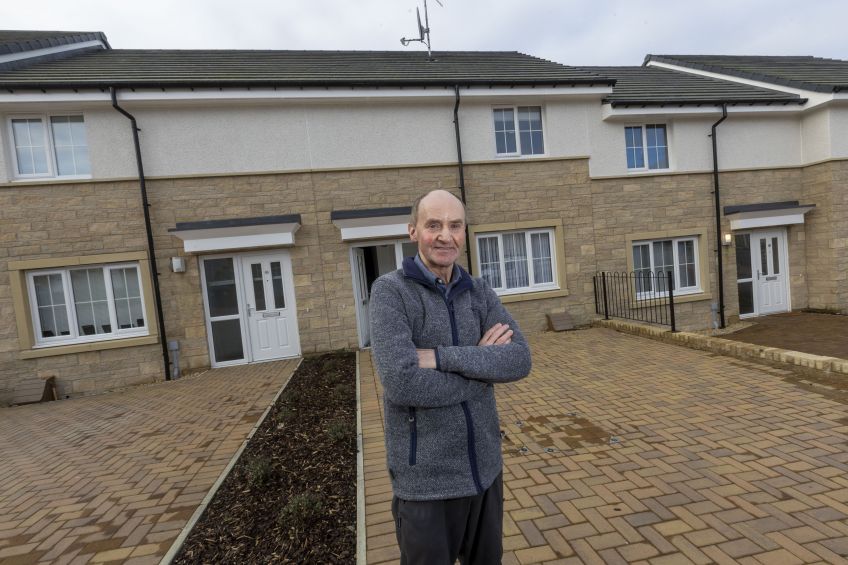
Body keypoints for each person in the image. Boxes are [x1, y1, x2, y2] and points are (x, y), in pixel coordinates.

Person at [369, 189, 532, 565]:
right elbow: (402, 382)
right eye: (434, 225)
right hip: (426, 484)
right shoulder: (390, 292)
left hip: (485, 472)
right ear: (413, 231)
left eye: (455, 225)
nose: (446, 235)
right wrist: (482, 369)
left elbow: (520, 359)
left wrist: (442, 357)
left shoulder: (479, 292)